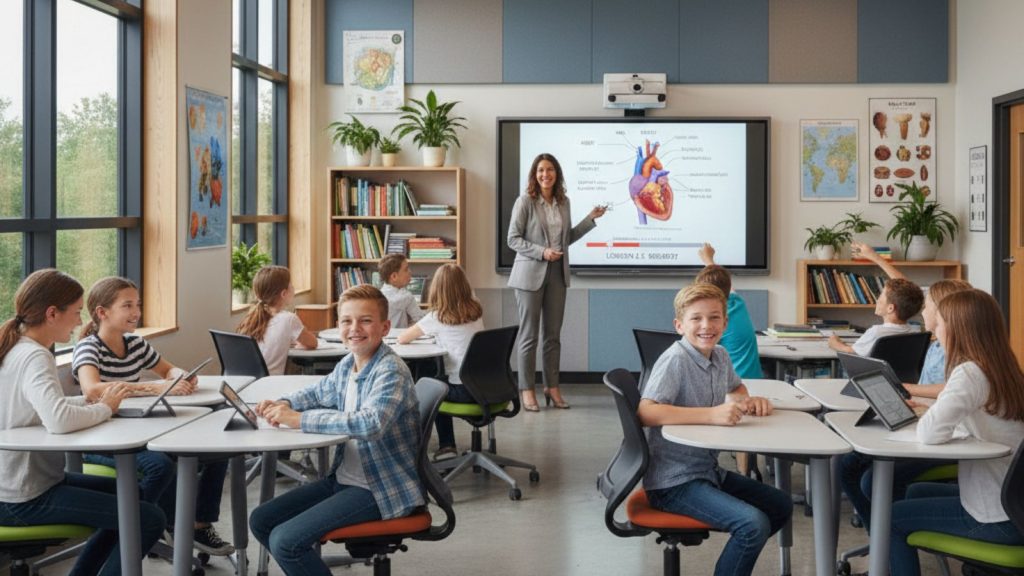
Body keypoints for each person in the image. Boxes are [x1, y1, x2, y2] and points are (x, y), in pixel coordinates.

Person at [249, 285, 423, 576]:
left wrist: (299, 420)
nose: (355, 328)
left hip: (379, 488)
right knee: (262, 520)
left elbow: (370, 423)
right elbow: (318, 393)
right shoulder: (349, 364)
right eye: (346, 321)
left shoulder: (390, 370)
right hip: (344, 478)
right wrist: (284, 403)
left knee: (286, 542)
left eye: (365, 320)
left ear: (385, 327)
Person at [0, 269, 165, 576]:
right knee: (147, 517)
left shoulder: (17, 347)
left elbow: (43, 408)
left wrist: (93, 402)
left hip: (32, 485)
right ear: (52, 314)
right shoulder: (35, 356)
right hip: (21, 497)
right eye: (76, 313)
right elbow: (58, 421)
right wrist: (104, 408)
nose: (79, 322)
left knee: (135, 497)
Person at [637, 283, 793, 576]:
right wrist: (712, 415)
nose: (706, 326)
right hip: (672, 482)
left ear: (725, 322)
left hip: (706, 472)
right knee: (752, 524)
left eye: (714, 317)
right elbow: (646, 412)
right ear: (679, 325)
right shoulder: (676, 360)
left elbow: (736, 387)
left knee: (780, 505)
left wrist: (747, 401)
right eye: (696, 318)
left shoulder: (719, 355)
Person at [72, 276, 234, 556]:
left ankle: (197, 524)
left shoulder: (134, 344)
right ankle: (146, 525)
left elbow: (167, 370)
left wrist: (180, 376)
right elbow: (92, 389)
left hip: (140, 428)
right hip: (101, 437)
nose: (136, 312)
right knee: (161, 465)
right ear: (102, 312)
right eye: (127, 306)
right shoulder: (89, 347)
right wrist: (153, 387)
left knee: (216, 450)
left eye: (138, 304)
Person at [889, 289, 1024, 576]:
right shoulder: (1006, 369)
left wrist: (931, 417)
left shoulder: (969, 373)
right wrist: (933, 412)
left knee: (891, 518)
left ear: (957, 330)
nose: (935, 333)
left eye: (939, 325)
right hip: (1015, 506)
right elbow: (986, 423)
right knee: (914, 491)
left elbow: (928, 435)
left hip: (995, 516)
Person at [838, 249, 974, 529]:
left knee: (859, 472)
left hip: (942, 433)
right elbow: (905, 291)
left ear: (945, 312)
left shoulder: (959, 351)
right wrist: (876, 259)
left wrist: (907, 389)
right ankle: (883, 533)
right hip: (924, 418)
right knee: (853, 462)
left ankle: (885, 533)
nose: (922, 308)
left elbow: (953, 389)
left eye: (928, 305)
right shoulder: (934, 340)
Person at [507, 152, 606, 411]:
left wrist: (590, 219)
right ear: (534, 174)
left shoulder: (564, 202)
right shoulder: (525, 201)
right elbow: (513, 239)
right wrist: (542, 252)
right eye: (540, 170)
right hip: (529, 274)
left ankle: (552, 388)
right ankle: (527, 390)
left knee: (553, 337)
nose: (545, 174)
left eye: (550, 170)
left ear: (556, 174)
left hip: (557, 274)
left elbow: (566, 239)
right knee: (529, 337)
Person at [398, 263, 484, 462]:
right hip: (486, 387)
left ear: (436, 290)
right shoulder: (477, 309)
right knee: (433, 373)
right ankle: (441, 444)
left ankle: (444, 445)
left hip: (464, 391)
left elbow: (403, 339)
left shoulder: (436, 317)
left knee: (429, 385)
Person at [695, 242, 762, 378]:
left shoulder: (715, 320)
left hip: (731, 386)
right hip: (754, 382)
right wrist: (708, 259)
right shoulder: (737, 303)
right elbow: (724, 283)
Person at [237, 265, 318, 376]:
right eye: (291, 285)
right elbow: (313, 343)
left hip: (249, 383)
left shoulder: (251, 318)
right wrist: (299, 341)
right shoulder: (289, 319)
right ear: (284, 294)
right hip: (271, 384)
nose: (294, 288)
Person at [828, 276, 924, 356]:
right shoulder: (915, 332)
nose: (877, 300)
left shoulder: (876, 333)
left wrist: (835, 343)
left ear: (890, 308)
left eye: (880, 296)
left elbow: (851, 352)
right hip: (903, 378)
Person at [378, 253, 425, 329]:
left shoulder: (379, 294)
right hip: (398, 337)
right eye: (406, 269)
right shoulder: (405, 297)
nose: (410, 272)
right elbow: (421, 319)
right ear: (394, 276)